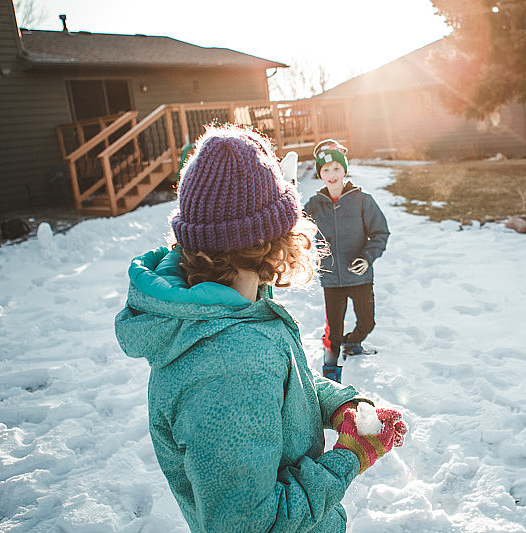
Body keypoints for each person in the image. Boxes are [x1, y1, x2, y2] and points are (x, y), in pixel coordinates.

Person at [114, 125, 406, 532]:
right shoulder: (226, 367)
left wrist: (340, 405)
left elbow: (279, 389)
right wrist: (348, 458)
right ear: (272, 236)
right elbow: (253, 525)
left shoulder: (236, 311)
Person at [303, 139, 389, 383]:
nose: (332, 175)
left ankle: (354, 343)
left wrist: (367, 257)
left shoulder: (362, 200)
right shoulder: (314, 205)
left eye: (336, 169)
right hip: (331, 278)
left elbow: (380, 233)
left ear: (345, 170)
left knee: (367, 322)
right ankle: (330, 373)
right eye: (326, 170)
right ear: (320, 173)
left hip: (360, 276)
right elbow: (293, 223)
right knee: (334, 332)